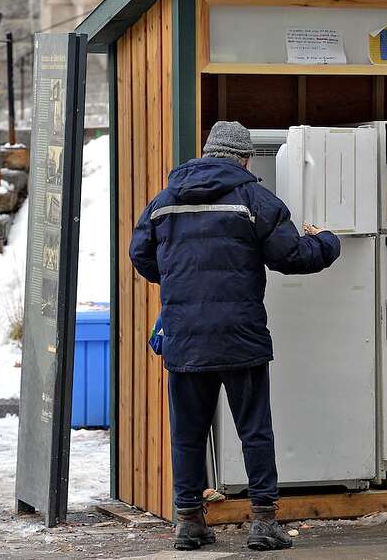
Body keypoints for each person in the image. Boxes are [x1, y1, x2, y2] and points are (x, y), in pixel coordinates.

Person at [129, 121, 341, 551]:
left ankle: (189, 522)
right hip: (240, 336)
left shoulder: (164, 201)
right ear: (244, 159)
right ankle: (263, 523)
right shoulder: (253, 199)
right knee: (254, 430)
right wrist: (327, 243)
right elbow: (291, 256)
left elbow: (141, 256)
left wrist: (179, 283)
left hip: (185, 337)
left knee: (188, 433)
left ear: (207, 153)